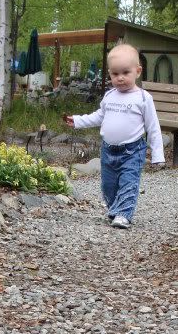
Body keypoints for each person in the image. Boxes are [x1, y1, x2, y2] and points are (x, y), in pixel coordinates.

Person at [64, 43, 165, 229]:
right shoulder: (110, 96)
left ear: (138, 71)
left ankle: (124, 213)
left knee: (128, 182)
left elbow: (153, 127)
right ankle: (115, 208)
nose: (120, 78)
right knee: (108, 185)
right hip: (108, 150)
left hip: (132, 150)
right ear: (109, 73)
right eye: (114, 74)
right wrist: (78, 121)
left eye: (125, 73)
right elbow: (99, 116)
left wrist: (157, 154)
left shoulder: (143, 98)